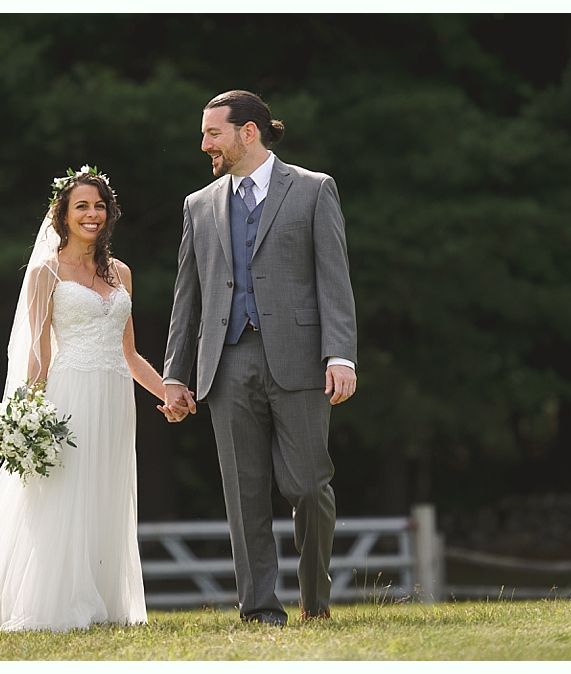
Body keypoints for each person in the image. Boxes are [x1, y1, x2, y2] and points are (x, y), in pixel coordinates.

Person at [0, 166, 165, 631]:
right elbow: (38, 352)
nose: (92, 214)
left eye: (99, 206)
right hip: (69, 394)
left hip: (116, 397)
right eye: (81, 206)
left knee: (105, 493)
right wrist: (28, 415)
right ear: (63, 214)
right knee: (62, 497)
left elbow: (130, 353)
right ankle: (53, 601)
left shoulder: (121, 274)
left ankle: (104, 600)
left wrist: (169, 393)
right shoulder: (46, 272)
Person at [161, 90, 358, 625]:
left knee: (309, 487)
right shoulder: (199, 205)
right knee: (243, 493)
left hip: (299, 358)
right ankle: (260, 609)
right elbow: (189, 295)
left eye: (212, 133)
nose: (204, 144)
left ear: (248, 132)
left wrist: (340, 354)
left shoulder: (314, 190)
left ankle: (316, 602)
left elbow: (333, 280)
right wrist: (174, 376)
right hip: (226, 364)